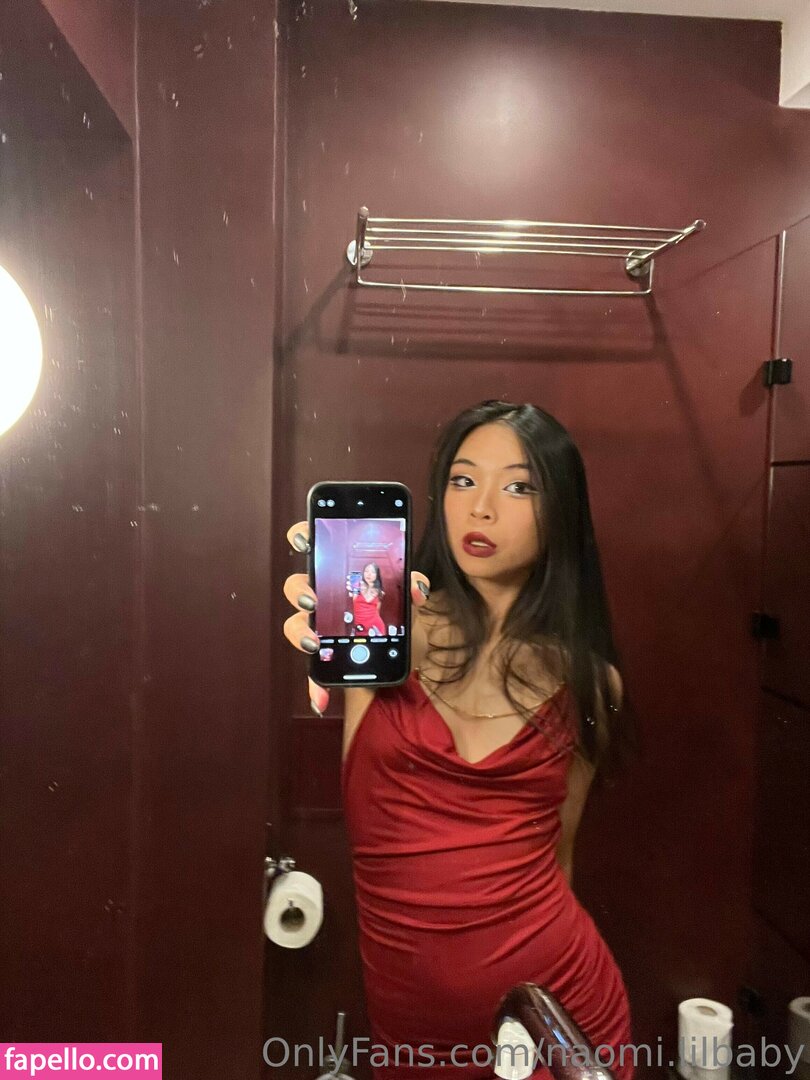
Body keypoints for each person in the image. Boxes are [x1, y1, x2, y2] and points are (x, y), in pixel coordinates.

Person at [283, 400, 638, 1080]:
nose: (481, 508)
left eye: (520, 487)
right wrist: (316, 610)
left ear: (561, 512)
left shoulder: (592, 682)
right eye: (463, 479)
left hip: (557, 1019)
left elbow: (558, 855)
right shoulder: (385, 628)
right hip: (415, 1035)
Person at [351, 562, 387, 637]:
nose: (369, 574)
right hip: (360, 627)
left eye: (372, 572)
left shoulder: (380, 592)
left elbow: (377, 611)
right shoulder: (356, 585)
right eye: (366, 571)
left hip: (376, 628)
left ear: (377, 575)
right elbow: (354, 603)